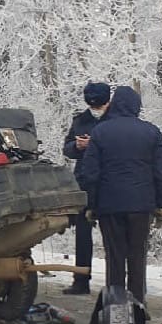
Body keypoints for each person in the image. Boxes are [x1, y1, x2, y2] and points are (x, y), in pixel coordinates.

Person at [78, 85, 162, 324]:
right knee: (137, 257)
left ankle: (116, 316)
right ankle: (138, 311)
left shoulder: (101, 132)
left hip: (110, 205)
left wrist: (92, 204)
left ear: (114, 104)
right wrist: (160, 204)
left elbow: (90, 173)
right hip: (141, 206)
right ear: (136, 107)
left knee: (115, 259)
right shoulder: (151, 132)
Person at [62, 81, 111, 295]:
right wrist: (77, 146)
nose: (95, 110)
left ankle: (115, 282)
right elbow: (67, 148)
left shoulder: (115, 121)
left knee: (112, 234)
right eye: (92, 106)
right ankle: (81, 280)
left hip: (110, 183)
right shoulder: (80, 120)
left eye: (99, 106)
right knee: (82, 234)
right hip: (85, 182)